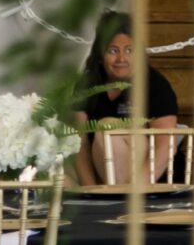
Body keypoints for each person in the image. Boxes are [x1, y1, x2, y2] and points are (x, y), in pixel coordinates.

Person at [72, 13, 180, 186]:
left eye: (129, 50)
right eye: (113, 51)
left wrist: (134, 189)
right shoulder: (87, 84)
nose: (121, 59)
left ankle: (120, 201)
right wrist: (90, 190)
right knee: (58, 170)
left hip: (148, 177)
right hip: (100, 173)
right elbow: (78, 144)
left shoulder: (155, 84)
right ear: (100, 54)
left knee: (108, 126)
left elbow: (166, 146)